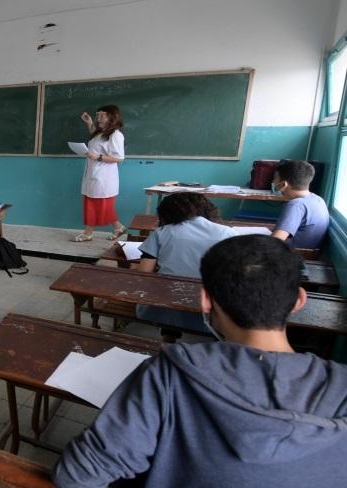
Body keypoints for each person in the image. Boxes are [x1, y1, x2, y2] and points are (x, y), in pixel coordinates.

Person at [53, 234, 347, 488]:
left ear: (205, 300)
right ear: (299, 300)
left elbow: (78, 475)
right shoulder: (341, 389)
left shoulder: (170, 373)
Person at [135, 192, 237, 340]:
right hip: (210, 308)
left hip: (164, 308)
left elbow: (143, 273)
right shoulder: (228, 233)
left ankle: (169, 337)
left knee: (165, 288)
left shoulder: (162, 232)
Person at [72, 105, 126, 242]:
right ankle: (118, 228)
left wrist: (99, 157)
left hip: (104, 177)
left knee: (100, 205)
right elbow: (97, 140)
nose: (99, 118)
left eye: (103, 115)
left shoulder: (116, 135)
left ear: (112, 117)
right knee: (94, 203)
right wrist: (89, 123)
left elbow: (119, 158)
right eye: (98, 115)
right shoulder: (101, 132)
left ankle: (88, 233)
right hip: (93, 174)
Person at [271, 159, 329, 250]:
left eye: (275, 179)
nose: (273, 182)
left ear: (283, 185)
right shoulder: (318, 199)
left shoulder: (296, 205)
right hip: (310, 252)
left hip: (292, 255)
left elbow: (274, 242)